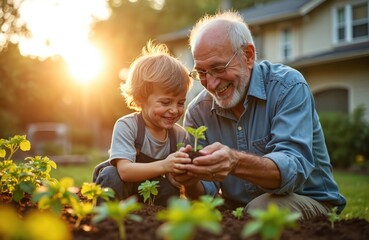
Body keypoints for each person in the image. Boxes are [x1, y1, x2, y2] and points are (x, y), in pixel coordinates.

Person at [172, 11, 346, 219]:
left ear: (248, 55)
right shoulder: (198, 111)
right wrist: (189, 181)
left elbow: (292, 170)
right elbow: (205, 198)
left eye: (218, 68)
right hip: (239, 211)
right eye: (201, 73)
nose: (211, 83)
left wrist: (235, 161)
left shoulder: (288, 87)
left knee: (260, 209)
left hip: (308, 199)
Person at [93, 41, 192, 206]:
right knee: (111, 175)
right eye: (166, 102)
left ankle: (159, 225)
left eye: (180, 103)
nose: (174, 110)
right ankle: (106, 221)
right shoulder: (128, 126)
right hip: (123, 187)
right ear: (140, 99)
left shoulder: (179, 135)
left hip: (149, 190)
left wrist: (177, 176)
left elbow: (175, 177)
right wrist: (165, 165)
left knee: (170, 191)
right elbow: (124, 172)